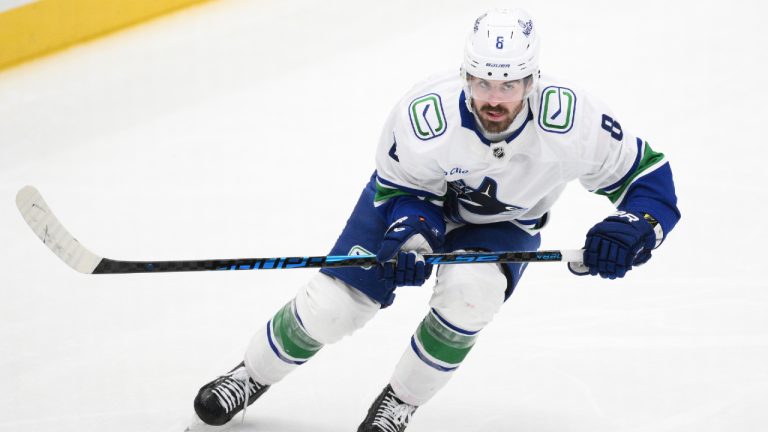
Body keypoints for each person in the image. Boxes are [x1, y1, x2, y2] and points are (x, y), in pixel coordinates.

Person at [187, 8, 680, 432]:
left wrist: (635, 227)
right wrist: (412, 233)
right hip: (411, 201)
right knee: (333, 307)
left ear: (532, 80)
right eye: (483, 81)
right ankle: (250, 375)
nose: (494, 98)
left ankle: (400, 402)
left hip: (504, 224)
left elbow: (648, 177)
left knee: (469, 300)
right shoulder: (427, 115)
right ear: (465, 74)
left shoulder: (573, 120)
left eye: (508, 84)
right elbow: (403, 187)